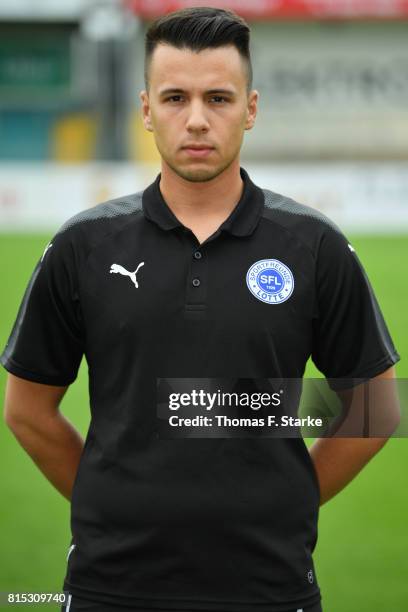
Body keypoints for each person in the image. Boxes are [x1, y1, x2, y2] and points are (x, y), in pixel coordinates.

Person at [1, 7, 401, 612]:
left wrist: (283, 487)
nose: (195, 120)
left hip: (270, 587)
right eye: (174, 97)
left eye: (218, 98)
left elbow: (374, 406)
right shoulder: (83, 247)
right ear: (145, 110)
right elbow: (29, 411)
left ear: (251, 108)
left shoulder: (314, 247)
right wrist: (110, 500)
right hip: (111, 588)